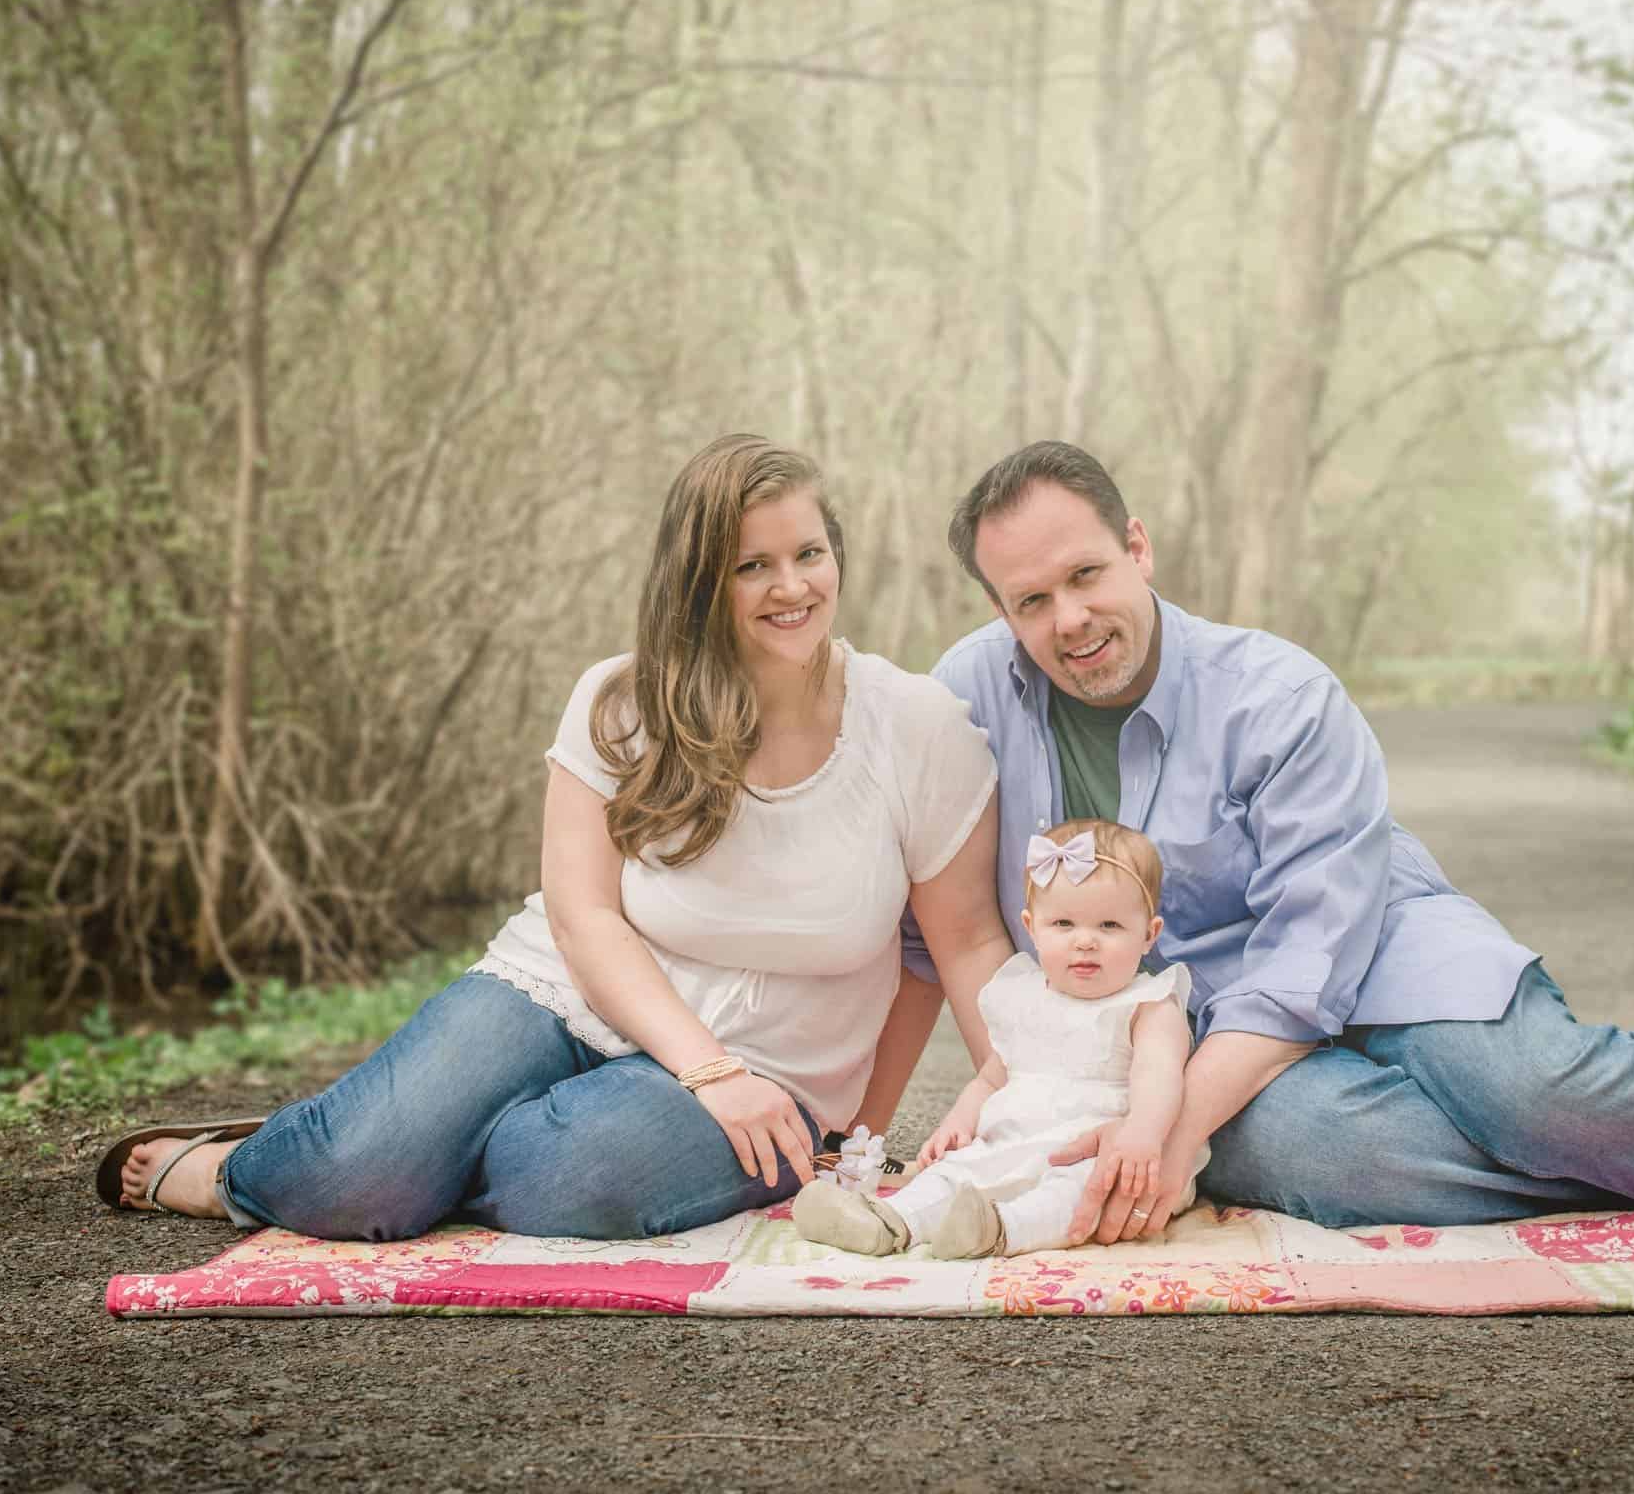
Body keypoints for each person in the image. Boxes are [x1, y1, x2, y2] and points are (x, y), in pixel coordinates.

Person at [903, 439, 1634, 1252]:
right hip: (1186, 1024)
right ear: (1000, 610)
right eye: (1030, 600)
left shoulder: (1278, 694)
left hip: (1375, 945)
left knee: (1533, 1090)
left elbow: (1312, 953)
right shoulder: (968, 702)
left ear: (1138, 547)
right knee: (1323, 1161)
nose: (1067, 622)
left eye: (1086, 575)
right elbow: (923, 899)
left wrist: (1162, 1129)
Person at [95, 433, 1012, 1241]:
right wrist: (708, 1066)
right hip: (565, 994)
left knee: (568, 1177)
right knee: (355, 1177)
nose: (792, 586)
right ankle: (246, 1169)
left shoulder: (915, 727)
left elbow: (961, 944)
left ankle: (414, 1150)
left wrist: (1005, 1101)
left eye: (809, 553)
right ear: (697, 582)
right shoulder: (622, 703)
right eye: (751, 566)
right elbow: (583, 917)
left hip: (778, 1072)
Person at [793, 819, 1199, 1259]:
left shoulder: (1150, 1004)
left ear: (1148, 935)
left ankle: (1000, 1229)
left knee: (1076, 1189)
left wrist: (1143, 1133)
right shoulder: (1022, 997)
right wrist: (959, 1121)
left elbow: (1159, 1076)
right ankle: (888, 1223)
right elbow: (991, 1078)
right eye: (1063, 923)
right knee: (954, 1172)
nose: (1085, 941)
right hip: (1012, 1142)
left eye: (1109, 926)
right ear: (1031, 927)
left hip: (1103, 1149)